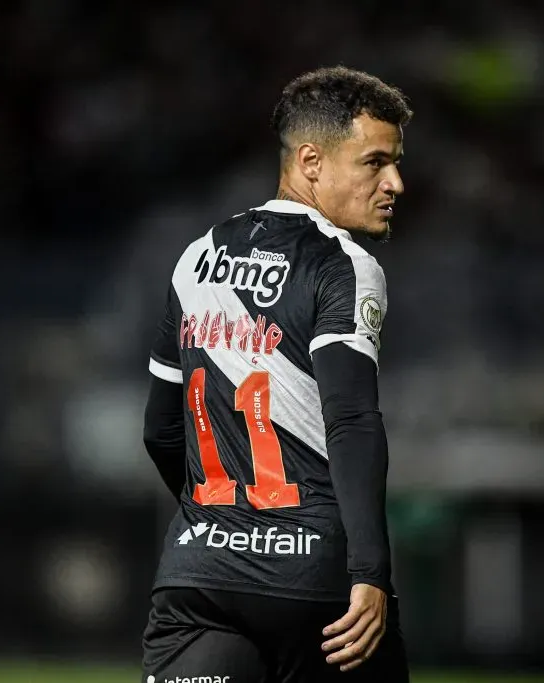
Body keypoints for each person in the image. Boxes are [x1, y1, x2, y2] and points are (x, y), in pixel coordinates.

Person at [141, 65, 412, 683]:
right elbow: (351, 422)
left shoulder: (198, 256)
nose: (395, 182)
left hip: (198, 578)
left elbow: (160, 430)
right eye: (375, 162)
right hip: (312, 583)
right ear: (311, 161)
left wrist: (225, 522)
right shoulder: (343, 264)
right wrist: (370, 572)